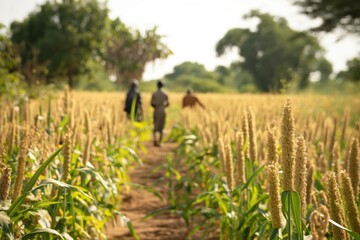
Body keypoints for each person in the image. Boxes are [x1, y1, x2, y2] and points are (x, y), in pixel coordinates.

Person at [151, 81, 169, 147]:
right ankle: (160, 142)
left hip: (156, 110)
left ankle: (155, 141)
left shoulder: (154, 93)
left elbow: (152, 103)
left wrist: (156, 106)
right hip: (163, 110)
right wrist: (163, 106)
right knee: (162, 126)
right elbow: (168, 103)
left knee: (155, 125)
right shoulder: (165, 93)